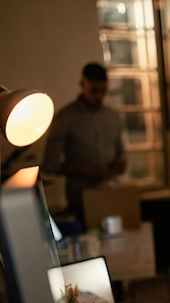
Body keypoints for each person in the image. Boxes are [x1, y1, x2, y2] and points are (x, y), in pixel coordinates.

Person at [42, 62, 127, 225]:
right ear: (83, 85)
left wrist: (121, 163)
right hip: (80, 201)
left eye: (103, 91)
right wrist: (86, 169)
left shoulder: (112, 116)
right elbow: (50, 165)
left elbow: (120, 153)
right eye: (94, 91)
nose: (99, 96)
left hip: (111, 197)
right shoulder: (65, 118)